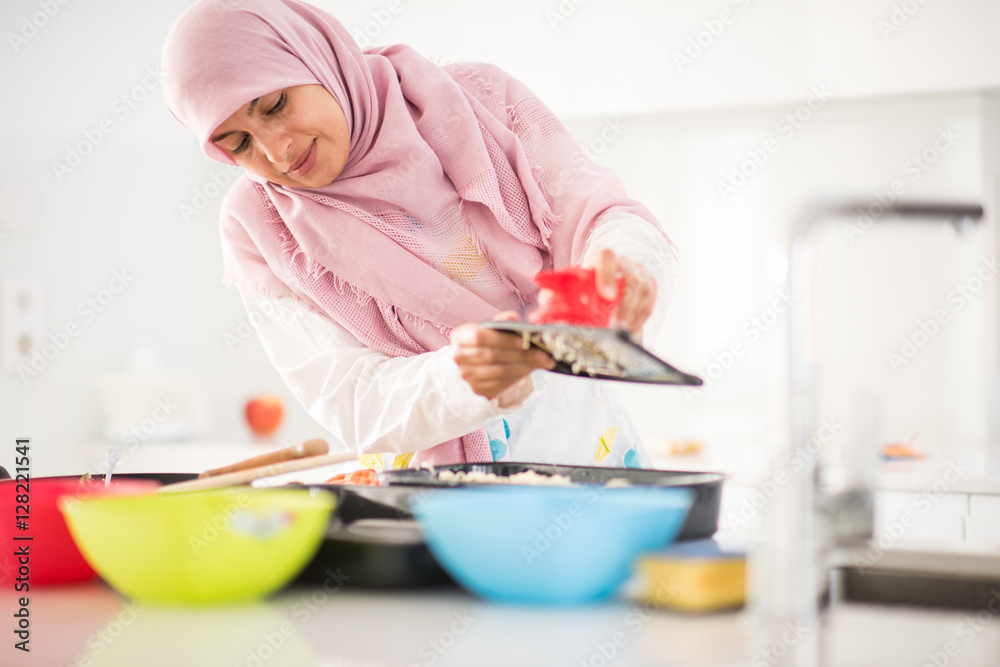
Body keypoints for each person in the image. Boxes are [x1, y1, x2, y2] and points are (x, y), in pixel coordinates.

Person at [161, 0, 678, 470]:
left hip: (592, 446)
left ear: (316, 59)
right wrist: (467, 373)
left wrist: (626, 267)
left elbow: (598, 212)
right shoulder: (259, 226)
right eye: (239, 144)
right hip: (442, 501)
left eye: (275, 105)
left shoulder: (479, 98)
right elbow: (352, 398)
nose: (275, 153)